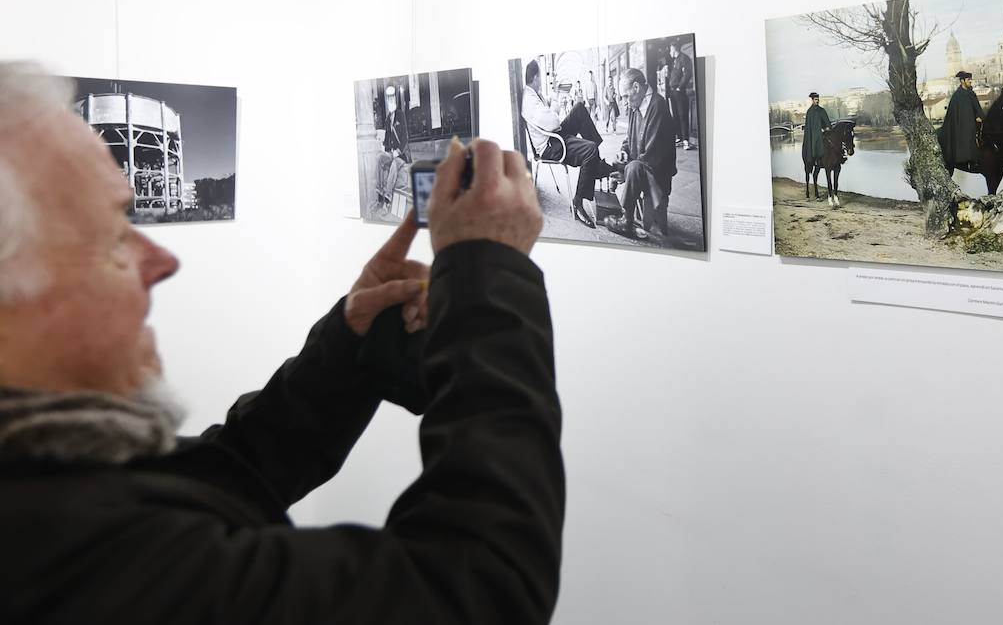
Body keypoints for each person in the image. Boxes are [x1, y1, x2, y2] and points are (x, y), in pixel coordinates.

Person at [0, 62, 562, 624]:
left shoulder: (45, 479)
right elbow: (477, 590)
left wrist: (350, 345)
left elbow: (221, 476)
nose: (161, 261)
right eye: (113, 238)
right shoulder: (74, 557)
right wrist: (487, 277)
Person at [520, 59, 612, 229]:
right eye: (540, 77)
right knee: (590, 149)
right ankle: (578, 203)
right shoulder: (529, 100)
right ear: (535, 77)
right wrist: (555, 104)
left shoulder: (534, 93)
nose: (541, 80)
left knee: (579, 108)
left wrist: (552, 101)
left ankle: (595, 164)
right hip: (551, 146)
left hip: (553, 136)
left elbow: (550, 112)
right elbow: (553, 121)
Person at [605, 68, 676, 242]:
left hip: (657, 172)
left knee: (633, 167)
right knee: (614, 163)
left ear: (636, 87)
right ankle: (617, 204)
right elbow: (629, 138)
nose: (624, 102)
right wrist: (623, 151)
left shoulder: (657, 106)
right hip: (644, 164)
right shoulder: (636, 106)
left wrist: (626, 171)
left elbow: (653, 155)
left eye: (625, 96)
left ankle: (626, 220)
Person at [938, 69, 984, 174]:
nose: (970, 82)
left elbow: (977, 108)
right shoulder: (957, 96)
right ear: (962, 81)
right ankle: (968, 160)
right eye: (968, 80)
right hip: (961, 125)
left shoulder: (971, 93)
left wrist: (979, 116)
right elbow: (953, 114)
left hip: (974, 123)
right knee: (968, 131)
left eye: (970, 80)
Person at [375, 83, 410, 209]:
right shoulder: (387, 119)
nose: (390, 100)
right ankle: (379, 192)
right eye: (388, 98)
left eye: (392, 98)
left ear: (395, 99)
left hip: (401, 155)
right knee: (379, 158)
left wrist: (398, 151)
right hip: (391, 152)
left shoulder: (401, 115)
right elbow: (387, 139)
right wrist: (383, 147)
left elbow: (405, 137)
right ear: (387, 100)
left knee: (395, 164)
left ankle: (387, 198)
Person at [666, 42, 694, 151]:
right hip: (673, 92)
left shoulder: (684, 58)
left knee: (683, 115)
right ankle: (680, 138)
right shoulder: (675, 61)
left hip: (679, 91)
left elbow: (687, 74)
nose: (669, 52)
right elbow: (674, 77)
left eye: (670, 50)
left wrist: (680, 87)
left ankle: (686, 140)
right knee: (676, 115)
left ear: (674, 49)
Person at [802, 91, 831, 167]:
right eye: (815, 99)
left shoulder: (822, 110)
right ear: (812, 100)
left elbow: (828, 123)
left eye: (818, 99)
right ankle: (815, 159)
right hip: (814, 136)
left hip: (824, 133)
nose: (817, 101)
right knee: (815, 140)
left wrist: (825, 129)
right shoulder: (809, 112)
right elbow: (809, 128)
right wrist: (817, 132)